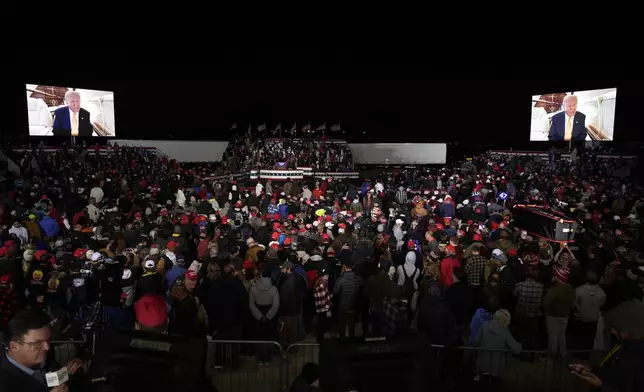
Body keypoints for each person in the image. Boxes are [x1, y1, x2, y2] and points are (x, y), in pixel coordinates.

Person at [0, 309, 84, 392]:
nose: (47, 347)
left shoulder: (41, 357)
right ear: (14, 346)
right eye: (37, 343)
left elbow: (45, 379)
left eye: (48, 340)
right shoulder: (5, 385)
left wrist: (64, 374)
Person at [569, 300, 644, 392]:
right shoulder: (622, 345)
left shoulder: (639, 357)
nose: (612, 331)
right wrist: (590, 371)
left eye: (618, 328)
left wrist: (601, 386)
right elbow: (613, 371)